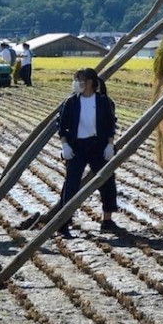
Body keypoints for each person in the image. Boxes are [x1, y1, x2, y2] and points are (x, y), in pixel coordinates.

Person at [56, 67, 121, 235]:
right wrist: (65, 145)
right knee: (71, 184)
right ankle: (63, 223)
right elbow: (62, 127)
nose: (76, 83)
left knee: (107, 182)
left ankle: (107, 220)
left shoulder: (103, 101)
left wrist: (109, 145)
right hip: (77, 147)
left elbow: (109, 126)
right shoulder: (71, 102)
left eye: (79, 80)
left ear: (90, 82)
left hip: (98, 146)